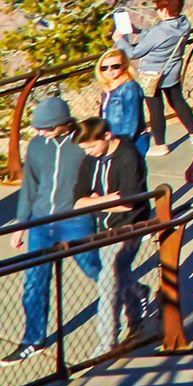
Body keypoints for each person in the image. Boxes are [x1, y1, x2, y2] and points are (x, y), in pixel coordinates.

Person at [7, 98, 92, 361]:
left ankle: (136, 295)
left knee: (97, 270)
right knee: (34, 282)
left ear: (62, 124)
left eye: (45, 128)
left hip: (75, 221)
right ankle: (33, 339)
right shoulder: (36, 145)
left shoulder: (82, 144)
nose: (40, 133)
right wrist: (22, 225)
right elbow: (29, 186)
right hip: (41, 223)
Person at [72, 116, 152, 353]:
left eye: (91, 146)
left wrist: (96, 201)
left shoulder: (129, 157)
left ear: (107, 136)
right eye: (84, 148)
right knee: (117, 274)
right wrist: (108, 200)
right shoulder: (90, 160)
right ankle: (137, 299)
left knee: (108, 281)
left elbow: (128, 202)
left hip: (130, 226)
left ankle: (107, 341)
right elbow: (78, 200)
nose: (88, 152)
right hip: (105, 227)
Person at [116, 0, 193, 156]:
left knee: (155, 108)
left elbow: (133, 53)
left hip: (153, 74)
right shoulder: (183, 23)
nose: (157, 10)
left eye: (159, 7)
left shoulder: (161, 31)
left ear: (165, 10)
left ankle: (160, 145)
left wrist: (119, 40)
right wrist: (136, 30)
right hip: (172, 70)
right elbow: (155, 35)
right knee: (177, 100)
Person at [96, 48, 151, 159]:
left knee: (131, 174)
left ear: (124, 65)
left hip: (131, 141)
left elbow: (131, 120)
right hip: (112, 140)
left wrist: (122, 144)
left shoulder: (129, 87)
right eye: (104, 68)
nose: (109, 71)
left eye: (115, 66)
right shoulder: (107, 89)